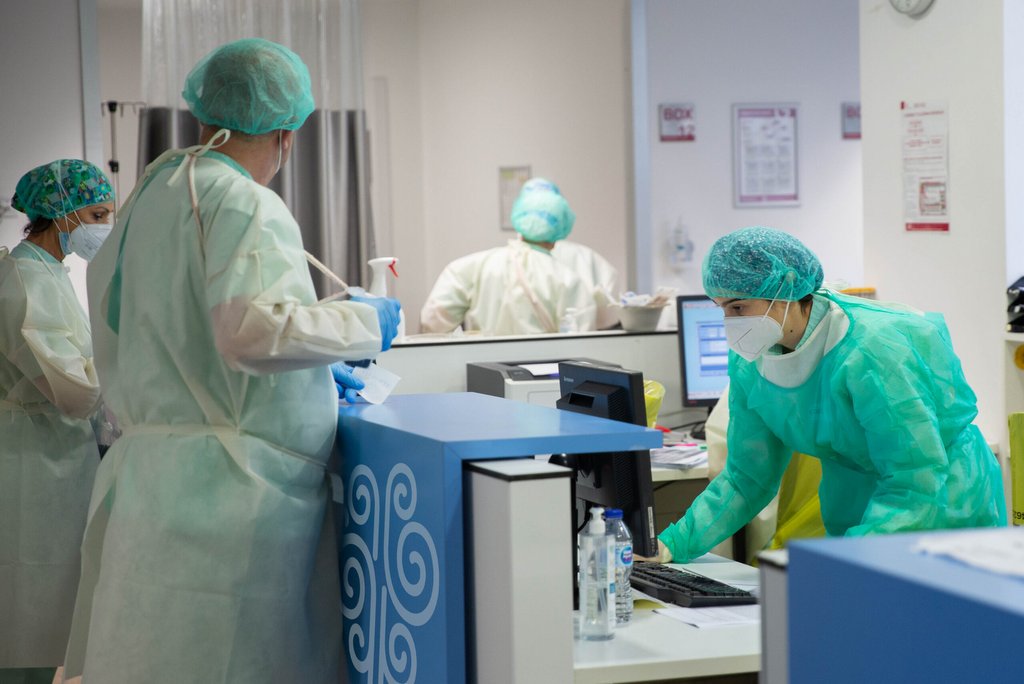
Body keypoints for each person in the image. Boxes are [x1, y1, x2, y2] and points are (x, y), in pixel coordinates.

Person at [62, 38, 401, 682]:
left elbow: (153, 325)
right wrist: (365, 324)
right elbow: (248, 332)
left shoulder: (155, 191)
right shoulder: (245, 202)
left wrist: (308, 369)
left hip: (152, 478)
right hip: (232, 493)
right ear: (285, 133)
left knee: (149, 660)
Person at [645, 226, 1006, 563]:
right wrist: (671, 544)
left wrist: (846, 565)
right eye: (721, 308)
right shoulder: (751, 362)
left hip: (943, 504)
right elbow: (746, 477)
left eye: (738, 307)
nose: (730, 323)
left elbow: (914, 477)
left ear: (785, 290)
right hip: (853, 501)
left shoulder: (873, 351)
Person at [0, 159, 113, 682]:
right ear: (60, 211)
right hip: (31, 461)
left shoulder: (50, 272)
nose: (104, 227)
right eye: (97, 214)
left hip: (54, 454)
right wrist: (136, 377)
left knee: (45, 609)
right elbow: (74, 391)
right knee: (27, 606)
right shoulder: (25, 279)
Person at [420, 177, 597, 335]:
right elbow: (582, 342)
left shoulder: (473, 266)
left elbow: (433, 321)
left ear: (519, 217)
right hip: (548, 363)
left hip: (482, 361)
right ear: (561, 227)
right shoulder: (568, 280)